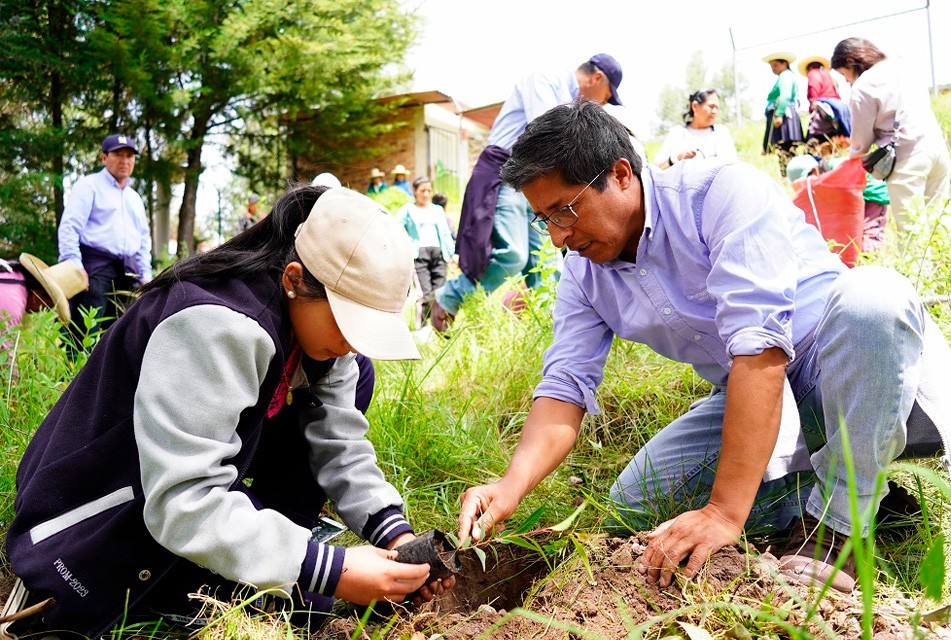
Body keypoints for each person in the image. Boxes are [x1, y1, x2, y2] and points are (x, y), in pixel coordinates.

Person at [456, 100, 951, 596]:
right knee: (637, 503)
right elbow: (565, 387)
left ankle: (840, 528)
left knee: (872, 298)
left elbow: (760, 348)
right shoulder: (583, 276)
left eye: (565, 210)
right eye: (545, 219)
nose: (560, 237)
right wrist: (509, 487)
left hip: (853, 370)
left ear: (621, 173)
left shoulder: (718, 193)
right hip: (758, 393)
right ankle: (873, 495)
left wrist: (724, 513)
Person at [5, 185, 454, 638]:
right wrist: (325, 568)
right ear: (294, 279)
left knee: (358, 376)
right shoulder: (217, 325)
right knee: (312, 590)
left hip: (182, 498)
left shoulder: (326, 343)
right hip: (92, 520)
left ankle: (271, 566)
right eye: (348, 322)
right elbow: (183, 499)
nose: (354, 342)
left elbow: (341, 447)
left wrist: (392, 533)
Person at [432, 53, 624, 332]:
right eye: (607, 96)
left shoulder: (570, 102)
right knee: (513, 255)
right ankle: (447, 299)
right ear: (597, 78)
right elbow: (550, 134)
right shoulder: (545, 79)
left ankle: (548, 329)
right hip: (508, 172)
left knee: (546, 264)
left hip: (540, 182)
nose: (603, 104)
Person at [831, 37, 951, 227]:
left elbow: (861, 141)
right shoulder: (902, 66)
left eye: (844, 75)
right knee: (940, 222)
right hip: (938, 149)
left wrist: (853, 161)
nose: (846, 81)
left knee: (912, 230)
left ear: (851, 62)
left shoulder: (863, 85)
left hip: (907, 159)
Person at [58, 133, 152, 333]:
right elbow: (70, 226)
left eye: (129, 156)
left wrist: (146, 276)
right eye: (118, 155)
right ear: (104, 157)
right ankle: (77, 365)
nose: (125, 161)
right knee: (84, 331)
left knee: (123, 332)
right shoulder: (88, 186)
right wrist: (74, 265)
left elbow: (143, 240)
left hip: (128, 271)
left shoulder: (134, 198)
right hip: (95, 269)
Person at [398, 177, 456, 327]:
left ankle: (440, 328)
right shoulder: (407, 210)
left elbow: (445, 232)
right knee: (425, 293)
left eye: (429, 191)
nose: (426, 194)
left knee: (440, 292)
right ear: (415, 191)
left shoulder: (437, 210)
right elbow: (397, 229)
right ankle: (422, 327)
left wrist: (452, 253)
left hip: (438, 254)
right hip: (419, 255)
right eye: (422, 190)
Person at [654, 89, 737, 169]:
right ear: (695, 106)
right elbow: (658, 168)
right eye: (711, 106)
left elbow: (733, 166)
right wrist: (675, 159)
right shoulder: (677, 133)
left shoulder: (721, 133)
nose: (714, 111)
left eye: (717, 108)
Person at [0, 254, 86, 329]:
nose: (42, 311)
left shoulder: (13, 273)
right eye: (47, 306)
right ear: (37, 295)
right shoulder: (12, 303)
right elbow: (4, 345)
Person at [762, 53, 805, 177]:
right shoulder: (787, 76)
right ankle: (791, 176)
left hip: (784, 115)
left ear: (784, 64)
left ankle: (789, 176)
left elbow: (784, 95)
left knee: (784, 148)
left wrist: (779, 114)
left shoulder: (785, 76)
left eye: (775, 65)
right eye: (771, 66)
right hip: (785, 114)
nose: (773, 69)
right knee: (786, 149)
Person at [798, 56, 851, 147]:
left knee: (816, 139)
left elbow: (813, 86)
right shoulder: (828, 75)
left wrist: (812, 103)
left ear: (809, 68)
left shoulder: (813, 73)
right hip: (836, 108)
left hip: (823, 108)